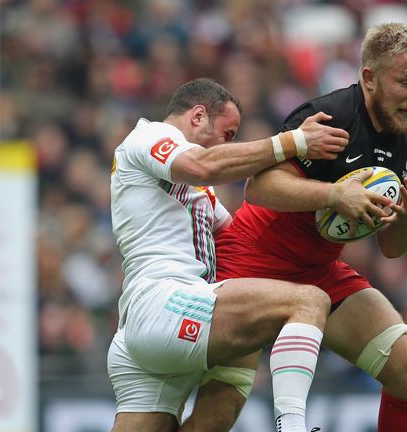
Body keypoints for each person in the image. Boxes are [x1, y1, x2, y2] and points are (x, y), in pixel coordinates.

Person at [215, 23, 407, 431]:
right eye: (406, 82)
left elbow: (393, 247)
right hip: (248, 263)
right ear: (369, 78)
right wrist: (334, 195)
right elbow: (259, 188)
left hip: (318, 275)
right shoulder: (331, 117)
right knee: (217, 414)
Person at [108, 78, 350, 432]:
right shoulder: (147, 137)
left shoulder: (198, 194)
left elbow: (239, 242)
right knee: (308, 302)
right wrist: (293, 142)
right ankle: (293, 426)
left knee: (224, 397)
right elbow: (203, 165)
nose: (229, 144)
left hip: (150, 324)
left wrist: (326, 208)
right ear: (197, 115)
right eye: (227, 133)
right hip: (163, 304)